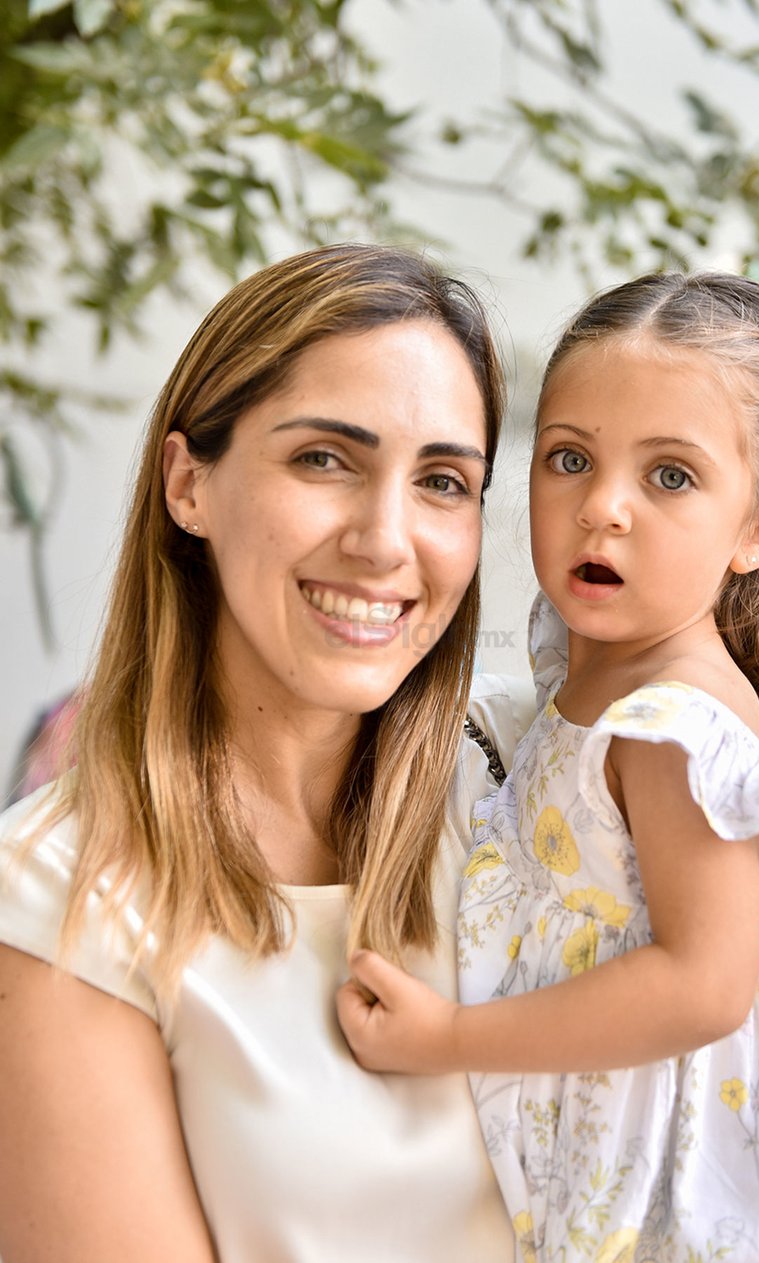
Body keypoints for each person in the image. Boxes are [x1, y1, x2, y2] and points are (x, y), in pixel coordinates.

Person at [0, 243, 536, 1263]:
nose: (385, 539)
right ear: (186, 483)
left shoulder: (527, 785)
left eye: (440, 481)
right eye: (323, 459)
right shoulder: (59, 903)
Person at [337, 272, 759, 1262]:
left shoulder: (670, 721)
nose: (601, 508)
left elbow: (703, 986)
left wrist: (442, 1040)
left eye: (669, 477)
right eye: (568, 458)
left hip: (672, 1185)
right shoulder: (587, 667)